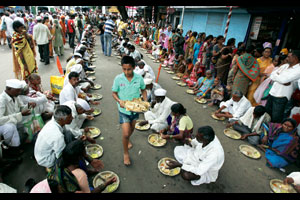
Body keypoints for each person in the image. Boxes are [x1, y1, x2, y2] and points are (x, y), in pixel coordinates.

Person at [112, 56, 147, 165]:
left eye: (129, 69)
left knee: (132, 129)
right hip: (124, 111)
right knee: (126, 133)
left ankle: (127, 140)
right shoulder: (118, 79)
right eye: (124, 69)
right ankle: (126, 153)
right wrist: (119, 101)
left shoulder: (139, 78)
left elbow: (143, 90)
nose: (126, 72)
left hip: (135, 110)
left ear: (134, 67)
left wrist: (145, 101)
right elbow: (114, 93)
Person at [45, 140, 115, 193]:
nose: (86, 154)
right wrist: (106, 184)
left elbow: (82, 154)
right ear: (79, 157)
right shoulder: (78, 175)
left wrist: (91, 161)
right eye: (84, 153)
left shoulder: (63, 157)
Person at [0, 79, 33, 156]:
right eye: (17, 91)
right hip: (3, 124)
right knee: (10, 127)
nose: (19, 93)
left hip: (13, 119)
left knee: (30, 115)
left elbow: (21, 107)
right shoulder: (1, 100)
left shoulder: (15, 96)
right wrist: (20, 114)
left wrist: (28, 106)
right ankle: (7, 145)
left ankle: (16, 146)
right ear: (9, 89)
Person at [266, 50, 300, 123]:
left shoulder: (298, 70)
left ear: (295, 58)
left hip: (281, 96)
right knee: (266, 115)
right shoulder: (285, 66)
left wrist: (279, 77)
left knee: (275, 118)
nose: (287, 58)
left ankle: (272, 133)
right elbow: (272, 75)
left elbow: (283, 80)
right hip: (272, 93)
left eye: (289, 56)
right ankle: (263, 131)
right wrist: (280, 79)